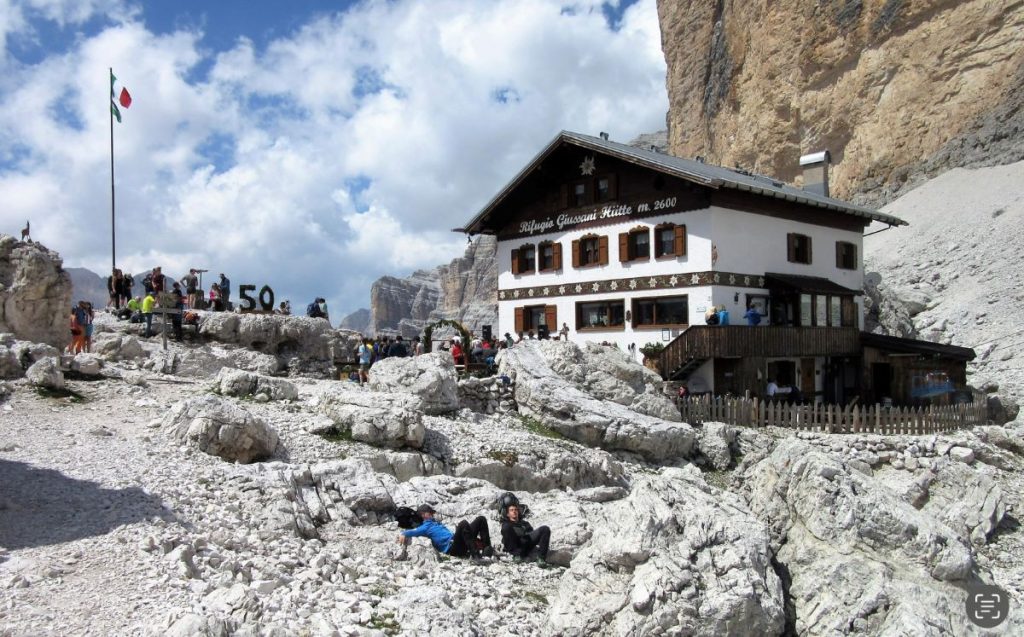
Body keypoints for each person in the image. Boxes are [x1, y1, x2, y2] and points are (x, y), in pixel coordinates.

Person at [397, 504, 493, 561]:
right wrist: (403, 533)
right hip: (452, 548)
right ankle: (475, 556)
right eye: (430, 512)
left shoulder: (435, 523)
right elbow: (414, 532)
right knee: (463, 524)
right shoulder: (425, 527)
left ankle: (487, 549)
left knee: (481, 519)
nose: (432, 514)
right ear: (423, 514)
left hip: (457, 542)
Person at [500, 501, 550, 567]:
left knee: (545, 528)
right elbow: (506, 538)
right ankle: (516, 555)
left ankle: (541, 558)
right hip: (516, 546)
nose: (514, 511)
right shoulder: (506, 524)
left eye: (516, 510)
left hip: (527, 544)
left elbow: (531, 534)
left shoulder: (524, 523)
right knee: (506, 528)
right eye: (511, 510)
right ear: (508, 514)